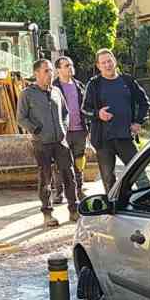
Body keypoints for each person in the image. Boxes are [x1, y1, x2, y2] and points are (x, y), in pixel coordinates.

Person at [17, 59, 78, 227]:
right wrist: (36, 130)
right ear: (36, 73)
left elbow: (65, 113)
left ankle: (74, 210)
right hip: (41, 144)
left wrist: (64, 129)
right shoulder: (27, 94)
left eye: (51, 70)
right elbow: (21, 118)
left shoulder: (57, 91)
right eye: (46, 71)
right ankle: (47, 213)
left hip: (60, 142)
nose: (50, 74)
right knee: (45, 179)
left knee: (69, 176)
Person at [81, 48, 150, 193]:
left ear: (114, 61)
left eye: (109, 61)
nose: (107, 65)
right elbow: (84, 109)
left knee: (139, 175)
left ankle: (149, 204)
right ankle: (113, 210)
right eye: (103, 63)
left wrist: (138, 121)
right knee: (108, 180)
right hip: (103, 141)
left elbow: (145, 103)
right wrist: (97, 114)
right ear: (98, 66)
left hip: (125, 137)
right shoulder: (94, 85)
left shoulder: (127, 81)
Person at [53, 56, 87, 203]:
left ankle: (79, 190)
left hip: (80, 131)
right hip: (63, 133)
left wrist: (89, 128)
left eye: (71, 65)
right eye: (66, 65)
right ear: (58, 69)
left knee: (79, 161)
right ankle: (59, 192)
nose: (70, 68)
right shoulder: (53, 88)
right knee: (61, 163)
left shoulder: (79, 86)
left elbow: (86, 108)